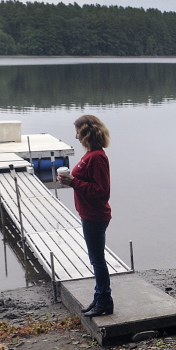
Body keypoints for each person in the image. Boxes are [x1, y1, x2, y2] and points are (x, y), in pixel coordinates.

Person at [58, 114, 113, 317]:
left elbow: (101, 192)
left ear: (87, 132)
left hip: (95, 215)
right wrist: (70, 180)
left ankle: (105, 301)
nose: (76, 137)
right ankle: (99, 297)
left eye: (78, 132)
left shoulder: (97, 157)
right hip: (88, 213)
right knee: (95, 259)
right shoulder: (90, 154)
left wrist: (73, 182)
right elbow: (85, 182)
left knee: (97, 260)